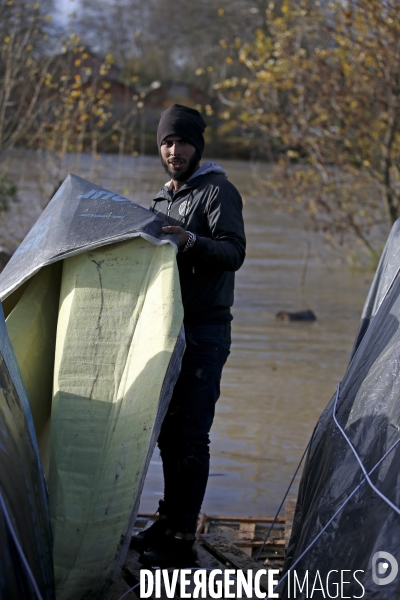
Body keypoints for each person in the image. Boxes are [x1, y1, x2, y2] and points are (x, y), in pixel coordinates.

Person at [133, 104, 246, 567]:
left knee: (191, 436)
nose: (173, 150)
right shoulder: (163, 199)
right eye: (166, 142)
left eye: (181, 142)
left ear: (197, 146)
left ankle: (182, 536)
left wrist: (192, 242)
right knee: (167, 433)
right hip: (169, 330)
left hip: (205, 330)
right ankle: (168, 518)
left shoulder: (218, 191)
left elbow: (235, 252)